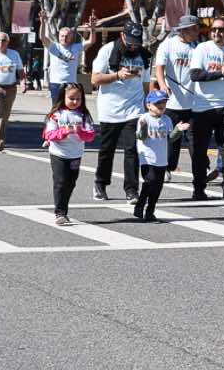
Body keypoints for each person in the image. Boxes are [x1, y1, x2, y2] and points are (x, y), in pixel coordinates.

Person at [89, 26, 148, 201]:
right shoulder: (107, 50)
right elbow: (95, 79)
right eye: (130, 43)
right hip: (110, 109)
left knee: (132, 149)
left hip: (134, 108)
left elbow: (145, 84)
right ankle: (100, 183)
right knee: (107, 150)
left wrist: (148, 106)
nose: (133, 46)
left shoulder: (143, 54)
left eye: (136, 43)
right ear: (122, 35)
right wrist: (117, 75)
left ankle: (131, 189)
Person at [153, 15, 209, 190]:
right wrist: (162, 85)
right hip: (172, 104)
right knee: (172, 142)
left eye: (198, 28)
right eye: (194, 29)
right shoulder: (168, 45)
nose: (197, 31)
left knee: (196, 143)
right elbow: (159, 67)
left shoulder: (198, 47)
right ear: (183, 30)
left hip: (194, 104)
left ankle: (200, 179)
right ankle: (168, 167)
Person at [198, 18, 224, 199]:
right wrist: (222, 72)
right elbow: (196, 75)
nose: (217, 33)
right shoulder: (202, 49)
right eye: (214, 29)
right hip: (204, 105)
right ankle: (198, 188)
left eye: (221, 29)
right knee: (200, 149)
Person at [41, 84, 94, 227]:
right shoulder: (56, 115)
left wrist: (80, 132)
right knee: (61, 181)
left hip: (75, 154)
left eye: (78, 99)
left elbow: (90, 136)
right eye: (71, 98)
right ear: (63, 97)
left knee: (71, 182)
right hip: (58, 153)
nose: (75, 101)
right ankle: (60, 212)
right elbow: (48, 134)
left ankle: (64, 208)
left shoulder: (84, 115)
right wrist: (64, 132)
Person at [133, 89, 174, 222]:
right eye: (157, 103)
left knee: (157, 187)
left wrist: (179, 130)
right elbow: (141, 137)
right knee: (150, 181)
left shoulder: (167, 119)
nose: (161, 105)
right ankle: (140, 204)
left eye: (163, 103)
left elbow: (172, 137)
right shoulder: (144, 119)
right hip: (147, 158)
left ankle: (150, 211)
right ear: (148, 105)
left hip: (161, 159)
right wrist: (144, 128)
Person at [44, 24, 83, 103]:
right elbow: (42, 38)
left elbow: (91, 41)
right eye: (62, 36)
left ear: (71, 37)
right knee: (56, 106)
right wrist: (42, 22)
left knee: (70, 106)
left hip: (71, 83)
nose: (64, 38)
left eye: (67, 36)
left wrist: (92, 29)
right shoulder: (53, 46)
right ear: (59, 36)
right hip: (56, 83)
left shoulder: (76, 47)